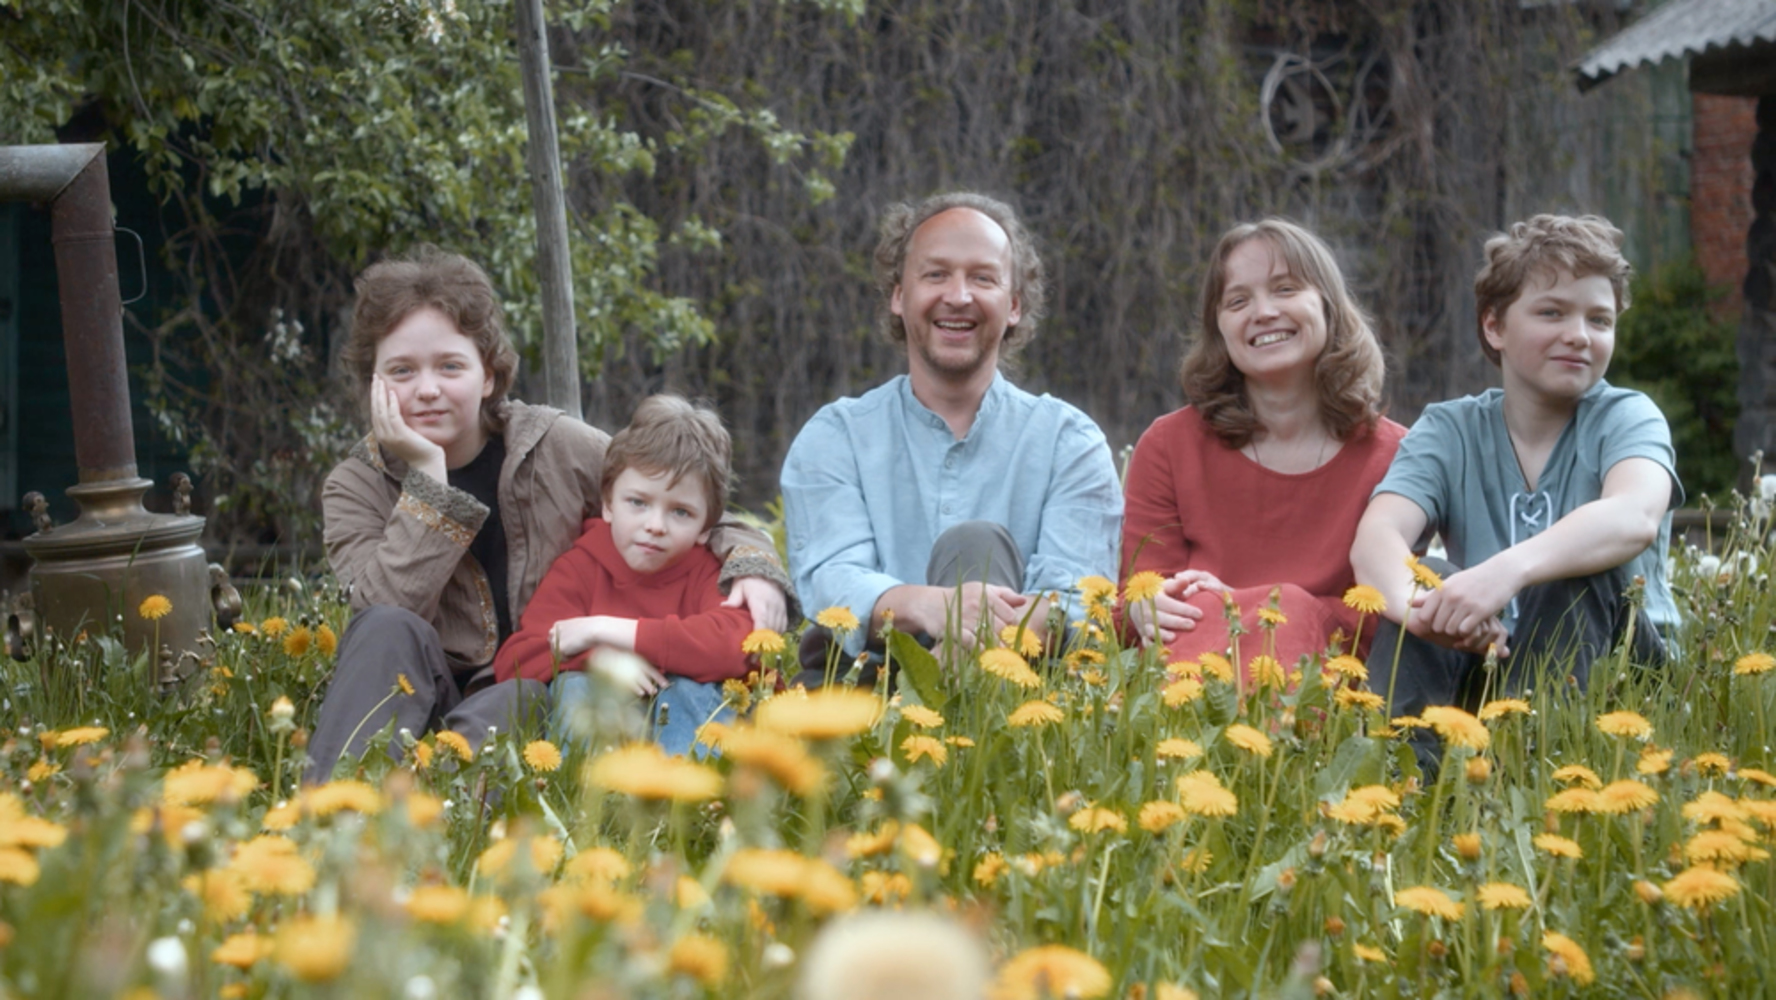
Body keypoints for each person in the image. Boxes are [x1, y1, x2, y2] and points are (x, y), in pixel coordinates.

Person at [306, 248, 790, 782]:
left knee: (514, 698)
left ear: (487, 376)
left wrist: (752, 562)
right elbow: (379, 621)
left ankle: (440, 801)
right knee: (384, 625)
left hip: (533, 695)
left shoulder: (558, 445)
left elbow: (669, 496)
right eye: (401, 370)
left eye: (450, 366)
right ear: (372, 383)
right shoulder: (356, 484)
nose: (427, 389)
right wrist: (426, 477)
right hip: (416, 695)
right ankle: (332, 803)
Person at [1350, 214, 1680, 771]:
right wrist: (1425, 611)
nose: (1579, 334)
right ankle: (1405, 784)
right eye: (1552, 312)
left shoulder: (1627, 417)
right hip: (1486, 664)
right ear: (1495, 327)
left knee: (1579, 569)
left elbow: (1633, 516)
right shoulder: (1449, 429)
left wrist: (1506, 571)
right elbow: (1376, 539)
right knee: (1433, 580)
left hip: (1618, 682)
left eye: (1599, 320)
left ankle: (1530, 777)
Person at [781, 192, 1122, 668]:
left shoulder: (1069, 443)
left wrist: (973, 639)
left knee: (977, 547)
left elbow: (1079, 602)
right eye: (936, 274)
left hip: (1014, 709)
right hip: (857, 698)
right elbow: (832, 583)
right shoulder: (835, 438)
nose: (958, 296)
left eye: (982, 278)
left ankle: (934, 713)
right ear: (899, 295)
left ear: (1015, 304)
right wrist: (936, 607)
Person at [1121, 219, 1405, 682]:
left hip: (1336, 694)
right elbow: (1140, 602)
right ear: (1220, 327)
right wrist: (1144, 607)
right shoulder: (1168, 446)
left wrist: (1258, 608)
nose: (1264, 311)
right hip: (1195, 689)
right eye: (1238, 301)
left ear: (1328, 306)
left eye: (1286, 289)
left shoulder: (1395, 456)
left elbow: (1393, 621)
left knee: (1290, 608)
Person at [492, 395, 754, 755]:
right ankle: (591, 799)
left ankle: (684, 800)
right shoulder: (582, 566)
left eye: (680, 512)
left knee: (692, 687)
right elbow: (517, 660)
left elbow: (737, 645)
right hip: (609, 719)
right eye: (638, 503)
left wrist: (608, 630)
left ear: (706, 527)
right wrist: (601, 657)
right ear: (608, 504)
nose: (655, 526)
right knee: (577, 687)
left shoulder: (707, 569)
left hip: (682, 724)